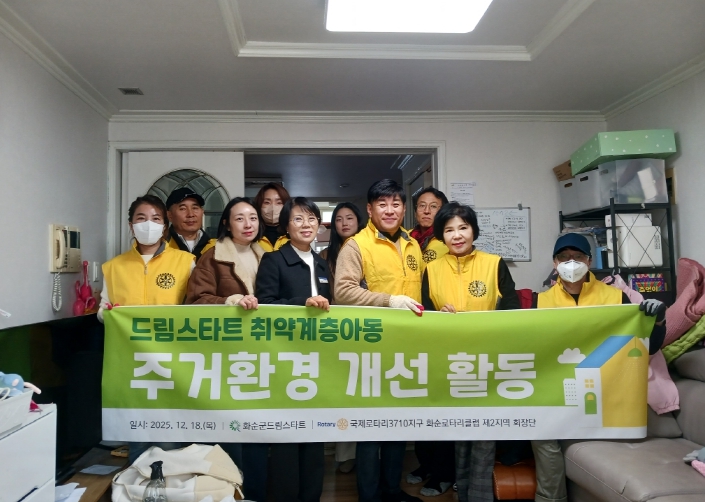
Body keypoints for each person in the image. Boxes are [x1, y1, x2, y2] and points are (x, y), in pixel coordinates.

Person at [531, 233, 666, 502]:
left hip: (607, 389)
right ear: (554, 263)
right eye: (564, 257)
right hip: (558, 389)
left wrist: (658, 320)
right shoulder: (539, 301)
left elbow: (648, 346)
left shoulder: (616, 298)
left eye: (578, 257)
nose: (571, 262)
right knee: (541, 433)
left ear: (589, 261)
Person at [420, 202, 520, 501]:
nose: (457, 235)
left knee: (483, 429)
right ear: (441, 236)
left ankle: (479, 492)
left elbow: (512, 312)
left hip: (487, 360)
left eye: (463, 227)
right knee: (451, 426)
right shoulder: (432, 269)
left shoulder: (494, 264)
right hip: (449, 361)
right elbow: (425, 317)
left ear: (474, 230)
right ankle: (453, 483)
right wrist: (439, 316)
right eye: (449, 230)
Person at [335, 179, 424, 502]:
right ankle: (369, 495)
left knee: (398, 425)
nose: (390, 210)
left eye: (396, 204)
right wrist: (389, 301)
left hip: (408, 347)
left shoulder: (412, 244)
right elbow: (343, 291)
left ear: (404, 208)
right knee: (371, 427)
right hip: (372, 348)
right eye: (382, 204)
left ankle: (392, 490)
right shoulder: (356, 245)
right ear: (370, 210)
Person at [98, 194, 196, 463]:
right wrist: (109, 314)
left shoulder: (185, 261)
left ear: (164, 226)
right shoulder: (113, 267)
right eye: (141, 218)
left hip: (172, 361)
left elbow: (195, 308)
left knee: (169, 437)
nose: (148, 224)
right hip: (132, 363)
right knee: (138, 433)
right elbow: (103, 310)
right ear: (131, 225)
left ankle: (170, 481)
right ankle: (139, 481)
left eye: (155, 219)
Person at [255, 197, 332, 502]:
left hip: (318, 356)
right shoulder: (274, 260)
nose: (306, 225)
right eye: (298, 219)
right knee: (287, 432)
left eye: (311, 219)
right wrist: (303, 304)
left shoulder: (322, 263)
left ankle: (312, 495)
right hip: (285, 356)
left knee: (314, 431)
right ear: (286, 226)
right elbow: (265, 305)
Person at [320, 202, 366, 473]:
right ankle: (346, 456)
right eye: (339, 219)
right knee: (345, 393)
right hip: (338, 330)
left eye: (350, 218)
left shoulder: (368, 249)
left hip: (370, 328)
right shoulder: (325, 256)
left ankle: (370, 454)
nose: (345, 223)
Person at [185, 197, 264, 307]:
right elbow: (197, 299)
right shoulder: (212, 258)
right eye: (240, 219)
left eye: (253, 218)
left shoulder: (267, 257)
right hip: (229, 318)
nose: (248, 225)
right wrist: (232, 301)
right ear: (227, 225)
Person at [165, 187, 216, 260]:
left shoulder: (216, 247)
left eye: (195, 208)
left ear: (202, 212)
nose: (191, 214)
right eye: (183, 209)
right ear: (169, 215)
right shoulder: (160, 247)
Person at [410, 187, 449, 268]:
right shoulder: (405, 237)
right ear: (415, 212)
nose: (426, 211)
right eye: (422, 205)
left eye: (433, 206)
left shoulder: (447, 238)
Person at [253, 182, 290, 252]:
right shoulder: (251, 234)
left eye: (279, 202)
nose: (273, 207)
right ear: (259, 205)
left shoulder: (293, 235)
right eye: (267, 202)